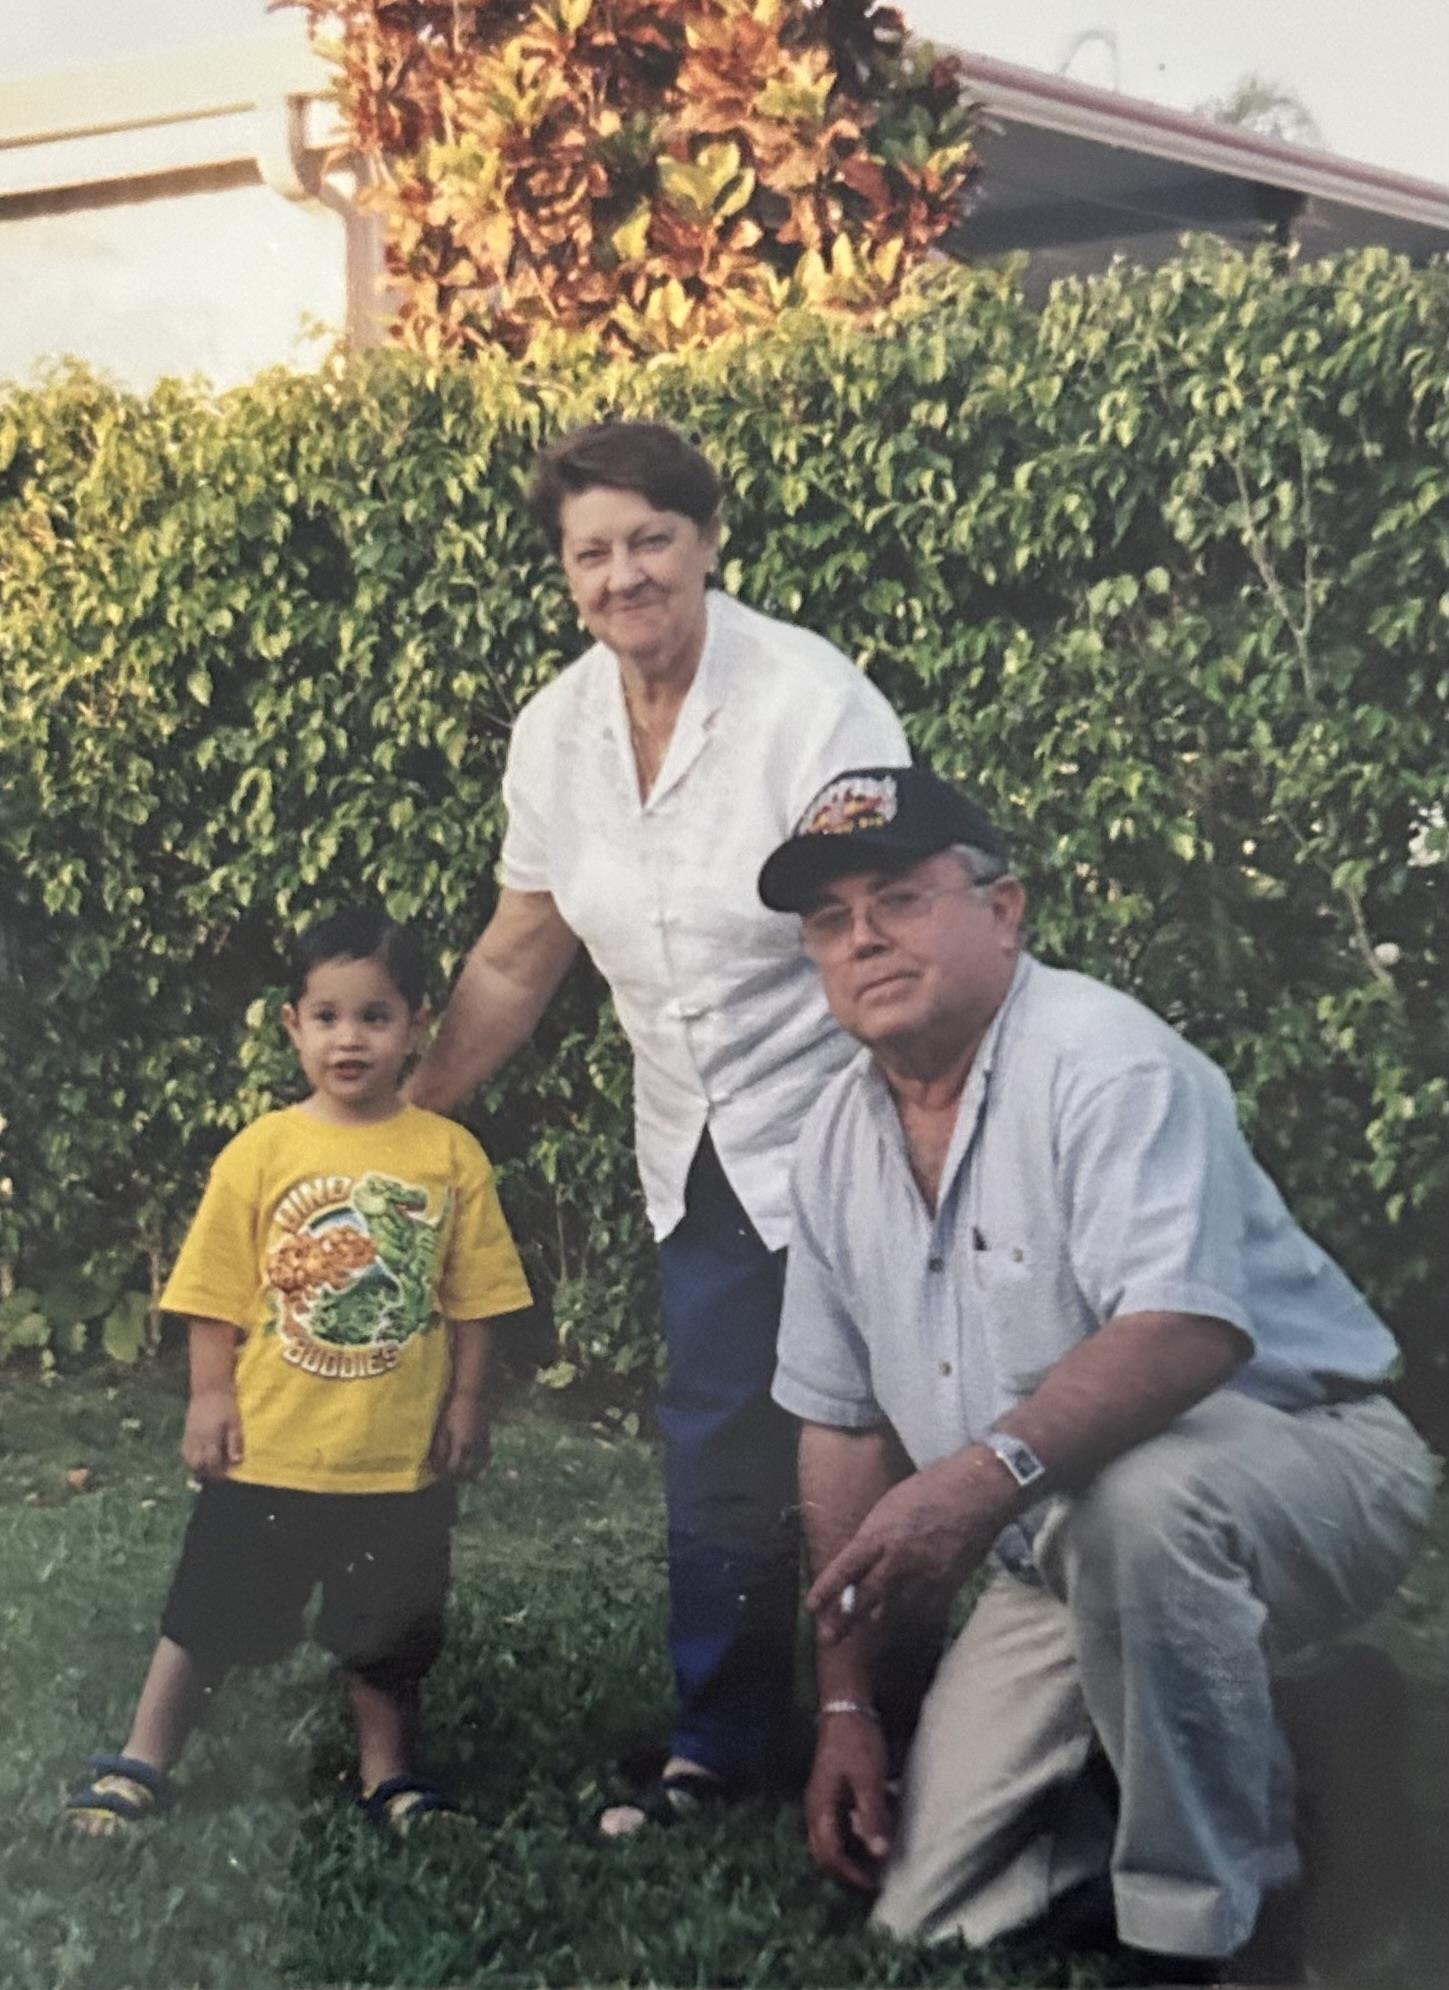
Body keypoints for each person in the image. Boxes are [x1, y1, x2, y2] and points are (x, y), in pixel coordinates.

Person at [757, 765, 1437, 1982]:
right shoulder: (828, 1138)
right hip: (1062, 1543)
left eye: (900, 898)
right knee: (938, 1909)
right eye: (829, 919)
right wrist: (848, 1707)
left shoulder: (1107, 1057)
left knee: (1142, 1505)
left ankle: (1211, 1928)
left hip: (1302, 1462)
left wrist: (977, 1480)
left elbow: (1185, 1328)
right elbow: (840, 1423)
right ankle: (1312, 1731)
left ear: (1003, 908)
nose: (863, 938)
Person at [408, 420, 908, 1832]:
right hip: (696, 1140)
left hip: (847, 1117)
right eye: (592, 550)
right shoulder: (556, 730)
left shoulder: (811, 700)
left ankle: (892, 1717)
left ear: (705, 541)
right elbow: (520, 949)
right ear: (563, 574)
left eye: (649, 540)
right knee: (716, 1437)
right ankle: (720, 1739)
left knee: (882, 1430)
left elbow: (877, 921)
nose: (623, 573)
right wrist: (408, 1114)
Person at [66, 905, 533, 1836]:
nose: (349, 1038)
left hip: (395, 1462)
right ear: (292, 1025)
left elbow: (478, 1297)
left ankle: (388, 1774)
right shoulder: (264, 1150)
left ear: (418, 1026)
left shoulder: (447, 1156)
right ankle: (143, 1757)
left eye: (375, 1015)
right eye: (326, 1017)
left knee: (389, 1635)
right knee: (206, 1617)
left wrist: (468, 1402)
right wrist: (209, 1398)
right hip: (269, 1451)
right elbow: (214, 1291)